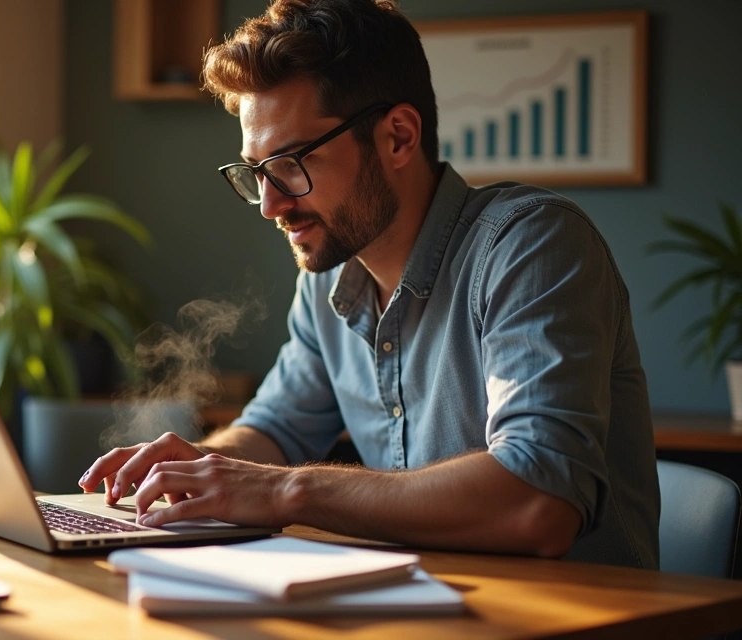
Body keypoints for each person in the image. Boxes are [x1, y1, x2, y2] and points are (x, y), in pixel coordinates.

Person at [78, 0, 659, 568]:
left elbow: (540, 501)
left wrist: (284, 491)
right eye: (256, 173)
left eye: (292, 163)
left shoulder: (530, 245)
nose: (270, 205)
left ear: (399, 137)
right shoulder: (331, 275)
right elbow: (274, 430)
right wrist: (197, 465)